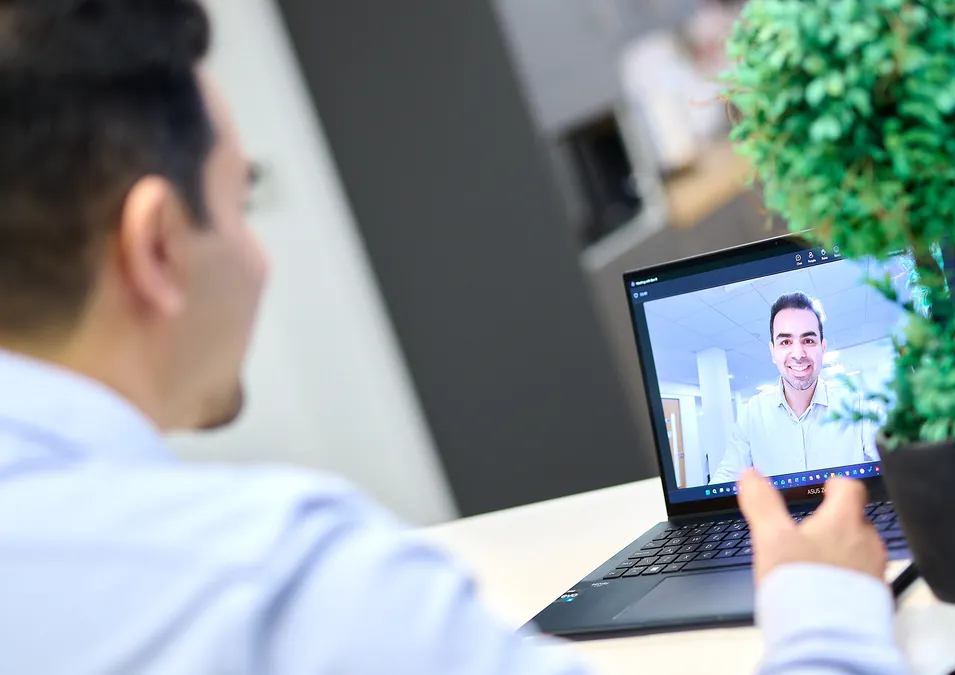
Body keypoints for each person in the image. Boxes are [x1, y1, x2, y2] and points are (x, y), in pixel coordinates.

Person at [0, 2, 906, 673]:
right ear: (157, 245)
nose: (258, 256)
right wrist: (824, 602)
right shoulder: (277, 586)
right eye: (242, 201)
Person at [711, 293, 880, 485]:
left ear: (823, 348)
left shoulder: (858, 405)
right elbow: (725, 479)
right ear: (773, 351)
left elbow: (898, 468)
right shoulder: (752, 413)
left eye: (808, 341)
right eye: (785, 342)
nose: (798, 354)